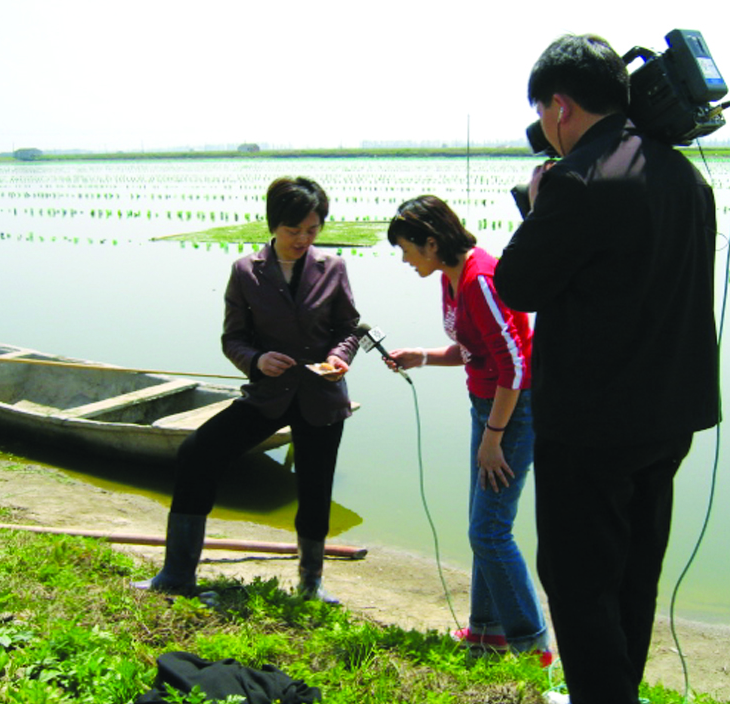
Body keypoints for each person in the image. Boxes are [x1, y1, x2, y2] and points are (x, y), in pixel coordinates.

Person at [495, 35, 721, 704]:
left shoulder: (577, 178)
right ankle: (619, 692)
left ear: (558, 106)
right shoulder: (682, 174)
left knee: (575, 578)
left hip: (593, 423)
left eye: (543, 112)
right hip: (669, 414)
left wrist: (538, 205)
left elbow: (517, 283)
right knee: (633, 571)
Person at [134, 176, 360, 604]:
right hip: (268, 396)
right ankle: (176, 574)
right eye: (294, 230)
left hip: (321, 396)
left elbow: (349, 328)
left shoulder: (333, 267)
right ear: (274, 225)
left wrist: (339, 358)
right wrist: (257, 361)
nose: (303, 239)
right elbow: (233, 339)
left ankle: (311, 585)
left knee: (316, 486)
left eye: (312, 230)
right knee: (196, 453)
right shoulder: (245, 271)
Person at [385, 195, 550, 662]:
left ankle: (531, 642)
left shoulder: (480, 280)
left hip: (512, 414)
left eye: (407, 249)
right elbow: (470, 347)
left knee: (491, 531)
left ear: (432, 242)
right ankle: (487, 631)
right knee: (483, 524)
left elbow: (515, 368)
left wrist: (493, 440)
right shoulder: (451, 278)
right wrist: (423, 355)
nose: (404, 259)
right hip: (487, 407)